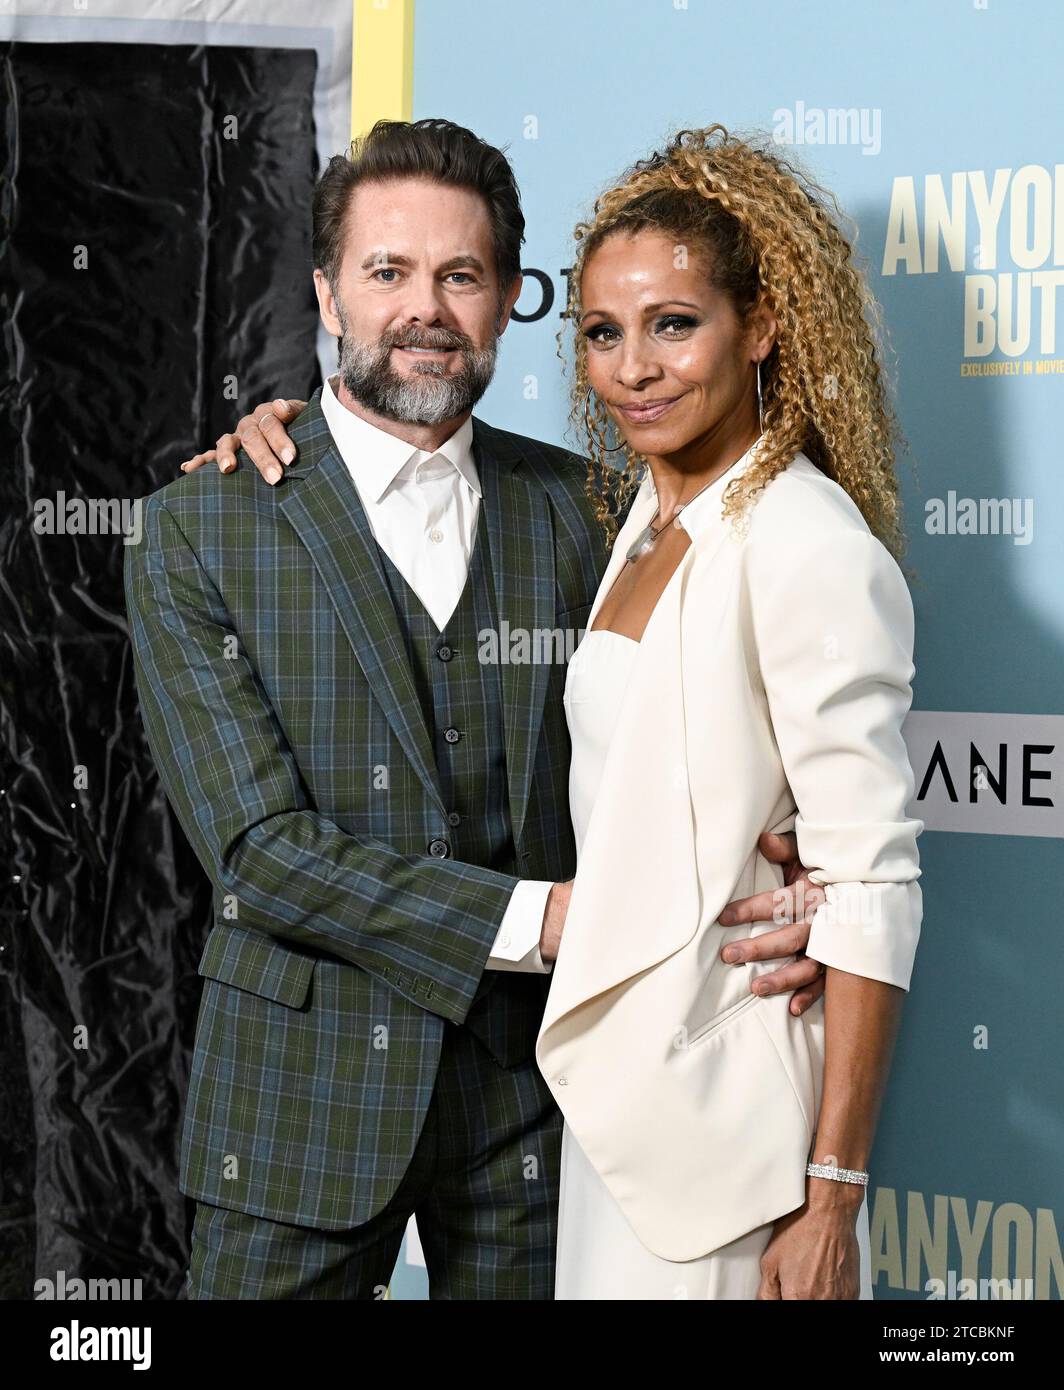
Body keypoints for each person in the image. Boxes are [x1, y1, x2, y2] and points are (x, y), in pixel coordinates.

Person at [130, 118, 825, 1301]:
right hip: (301, 1103)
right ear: (326, 294)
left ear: (508, 298)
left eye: (459, 275)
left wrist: (798, 856)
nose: (424, 308)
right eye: (386, 272)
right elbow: (258, 852)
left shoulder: (597, 512)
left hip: (542, 1103)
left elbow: (725, 705)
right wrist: (550, 922)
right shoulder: (206, 527)